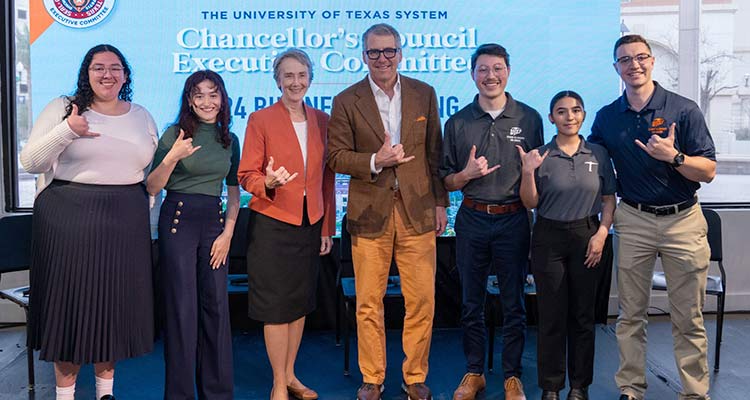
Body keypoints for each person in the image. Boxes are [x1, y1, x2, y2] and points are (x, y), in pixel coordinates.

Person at [20, 44, 156, 400]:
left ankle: (104, 393)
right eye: (98, 67)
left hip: (125, 221)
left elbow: (147, 171)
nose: (107, 74)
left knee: (110, 310)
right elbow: (30, 162)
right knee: (70, 310)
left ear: (125, 75)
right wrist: (67, 130)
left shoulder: (141, 115)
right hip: (68, 218)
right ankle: (65, 396)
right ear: (87, 72)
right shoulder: (65, 107)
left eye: (115, 68)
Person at [588, 34, 716, 400]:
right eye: (625, 60)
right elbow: (589, 157)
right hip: (634, 220)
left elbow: (707, 171)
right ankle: (631, 389)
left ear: (652, 61)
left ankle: (694, 393)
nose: (634, 65)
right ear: (616, 68)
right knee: (630, 315)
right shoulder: (608, 117)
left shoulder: (683, 109)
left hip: (683, 221)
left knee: (688, 317)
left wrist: (673, 157)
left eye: (641, 57)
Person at [327, 23, 449, 400]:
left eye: (389, 51)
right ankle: (373, 378)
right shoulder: (347, 100)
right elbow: (335, 157)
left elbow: (434, 153)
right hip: (369, 214)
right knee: (367, 302)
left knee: (422, 301)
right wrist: (375, 160)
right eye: (374, 52)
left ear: (401, 52)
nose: (383, 58)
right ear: (364, 56)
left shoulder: (424, 93)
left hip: (418, 211)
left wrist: (441, 202)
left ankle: (414, 377)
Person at [439, 43, 543, 400]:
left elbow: (538, 176)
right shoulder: (457, 122)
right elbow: (446, 180)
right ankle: (474, 372)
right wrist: (465, 174)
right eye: (482, 70)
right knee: (471, 303)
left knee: (514, 302)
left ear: (508, 72)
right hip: (472, 219)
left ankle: (512, 376)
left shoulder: (529, 119)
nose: (490, 76)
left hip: (514, 220)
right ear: (473, 75)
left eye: (497, 68)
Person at [237, 48, 335, 400]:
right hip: (273, 223)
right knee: (276, 308)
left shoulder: (323, 121)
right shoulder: (260, 120)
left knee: (299, 303)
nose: (296, 82)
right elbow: (246, 175)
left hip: (311, 225)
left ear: (310, 78)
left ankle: (292, 375)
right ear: (277, 81)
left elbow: (327, 179)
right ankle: (278, 383)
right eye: (288, 76)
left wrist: (327, 228)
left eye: (301, 75)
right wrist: (268, 184)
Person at [146, 70, 240, 400]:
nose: (207, 101)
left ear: (222, 98)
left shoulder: (230, 138)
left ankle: (217, 393)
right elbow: (153, 186)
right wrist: (173, 156)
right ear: (189, 99)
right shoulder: (176, 133)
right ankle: (181, 394)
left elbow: (233, 191)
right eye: (198, 95)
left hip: (214, 225)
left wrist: (228, 233)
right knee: (182, 310)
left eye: (213, 94)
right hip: (178, 221)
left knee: (216, 308)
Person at [517, 91, 616, 400]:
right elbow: (529, 202)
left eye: (575, 110)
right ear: (551, 118)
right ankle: (551, 386)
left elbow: (608, 200)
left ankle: (579, 386)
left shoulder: (598, 154)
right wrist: (527, 172)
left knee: (583, 317)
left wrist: (601, 234)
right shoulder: (540, 155)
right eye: (561, 111)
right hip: (549, 237)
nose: (569, 116)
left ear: (583, 115)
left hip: (588, 236)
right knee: (551, 316)